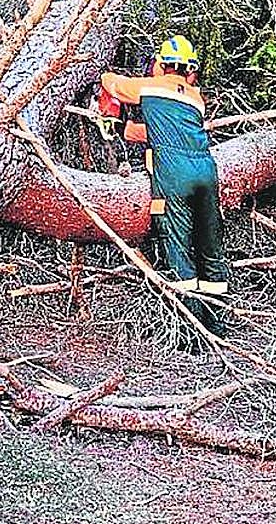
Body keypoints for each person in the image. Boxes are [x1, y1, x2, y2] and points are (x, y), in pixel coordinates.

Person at [101, 35, 229, 337]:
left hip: (174, 176)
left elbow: (111, 82)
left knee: (179, 249)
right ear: (190, 71)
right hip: (207, 174)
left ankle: (193, 330)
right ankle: (216, 323)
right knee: (209, 251)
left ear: (161, 65)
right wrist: (121, 127)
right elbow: (155, 132)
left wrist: (108, 107)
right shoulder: (195, 98)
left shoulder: (151, 86)